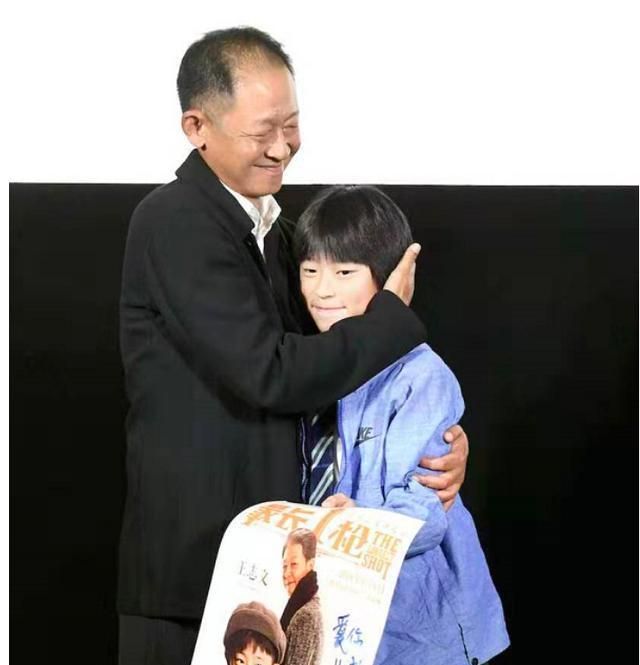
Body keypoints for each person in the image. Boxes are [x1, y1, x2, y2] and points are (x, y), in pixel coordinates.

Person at [117, 27, 470, 664]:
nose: (282, 147)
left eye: (292, 125)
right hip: (193, 574)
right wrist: (390, 317)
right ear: (197, 127)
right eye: (263, 132)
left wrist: (434, 443)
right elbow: (274, 374)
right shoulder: (175, 222)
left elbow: (329, 375)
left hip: (272, 571)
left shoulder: (275, 230)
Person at [295, 185, 510, 665]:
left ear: (391, 277)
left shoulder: (419, 376)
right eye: (310, 271)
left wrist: (353, 524)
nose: (322, 290)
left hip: (418, 621)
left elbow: (425, 510)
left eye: (344, 272)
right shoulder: (304, 365)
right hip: (339, 616)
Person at [280, 529, 322, 665]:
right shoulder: (304, 606)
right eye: (284, 566)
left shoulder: (305, 615)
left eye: (294, 564)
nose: (286, 573)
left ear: (310, 565)